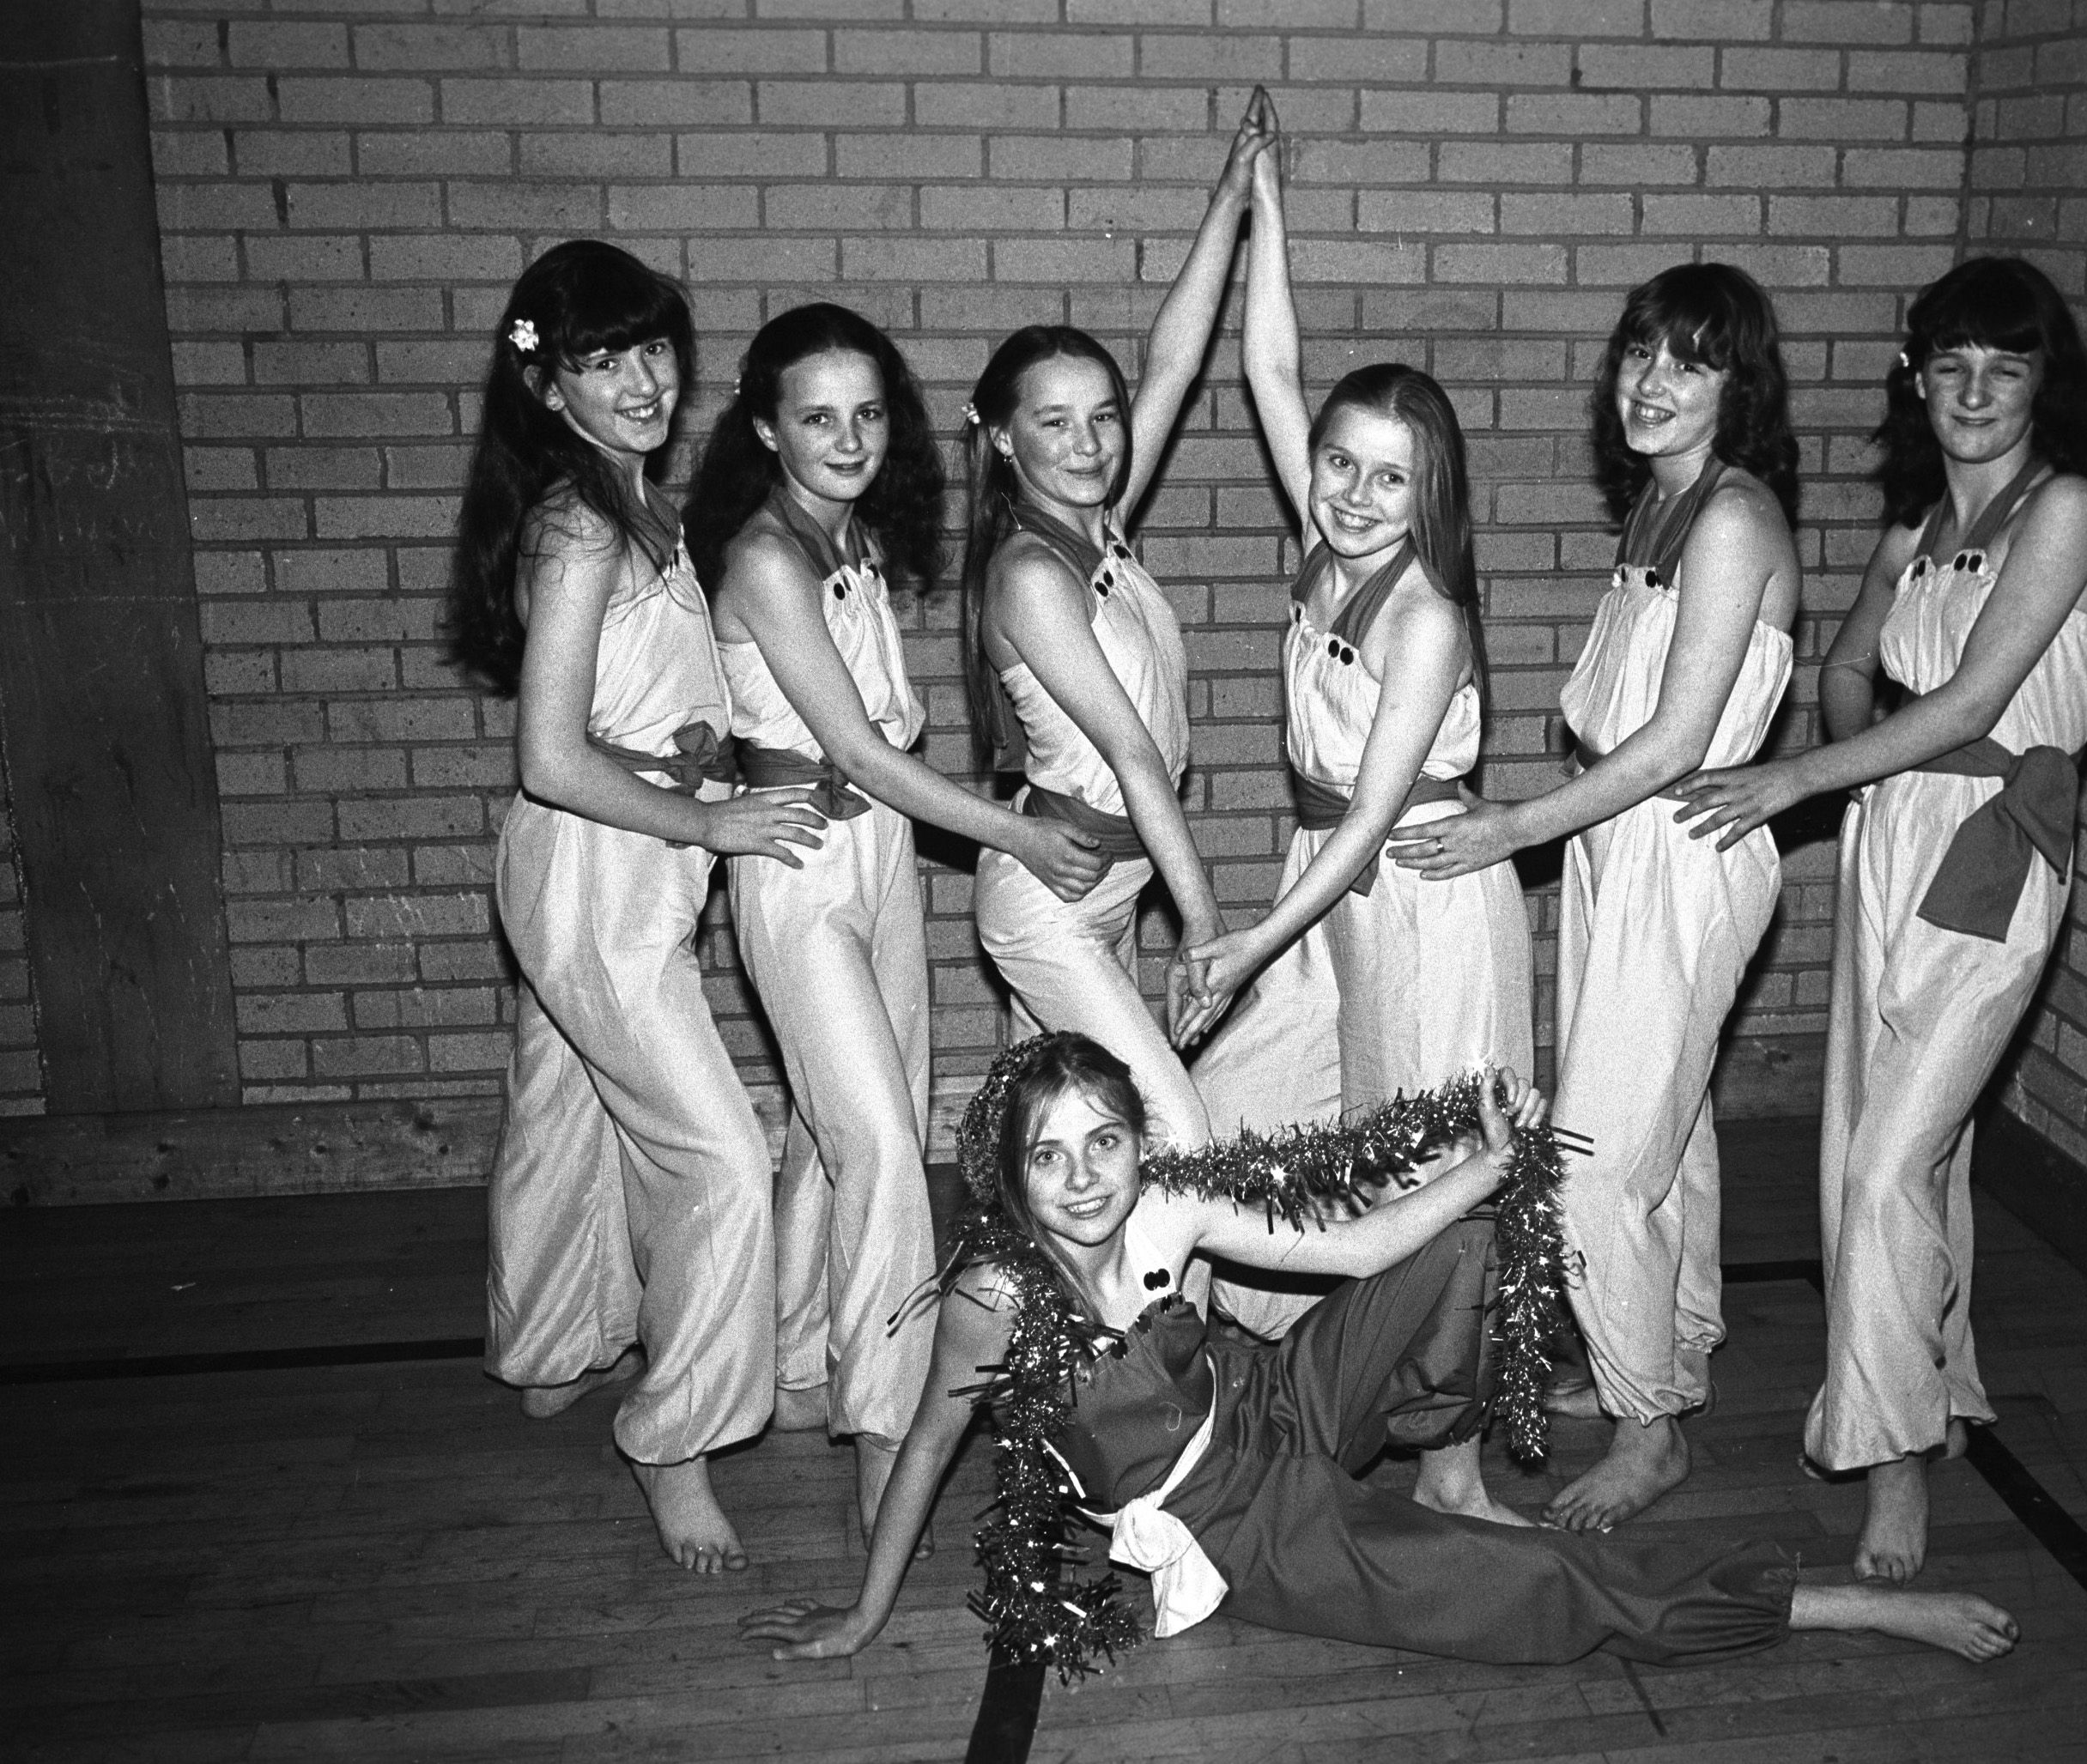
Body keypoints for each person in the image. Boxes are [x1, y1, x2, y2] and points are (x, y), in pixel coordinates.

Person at [737, 1033, 2019, 1670]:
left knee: (1461, 1253)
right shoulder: (993, 1296)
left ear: (1138, 1140)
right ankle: (1828, 1598)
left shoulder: (1167, 1206)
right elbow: (925, 1444)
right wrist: (861, 1612)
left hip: (1277, 1399)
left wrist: (1485, 1160)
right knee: (1513, 1596)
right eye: (1047, 1153)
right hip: (1237, 1516)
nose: (1083, 1177)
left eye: (1104, 1141)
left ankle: (1438, 1463)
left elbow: (1355, 1253)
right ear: (1007, 1174)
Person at [1674, 257, 2087, 1582]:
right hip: (1890, 829)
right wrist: (1844, 748)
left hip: (1990, 846)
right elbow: (1846, 665)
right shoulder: (1915, 525)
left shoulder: (2067, 511)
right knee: (1886, 1149)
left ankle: (1888, 1458)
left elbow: (1980, 698)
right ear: (1911, 373)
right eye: (1949, 365)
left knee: (1887, 1166)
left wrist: (1795, 778)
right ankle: (1948, 1384)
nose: (1973, 392)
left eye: (2004, 366)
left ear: (2045, 381)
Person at [679, 302, 1108, 1538]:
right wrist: (1017, 832)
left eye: (868, 412)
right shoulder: (765, 553)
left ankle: (802, 1352)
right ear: (765, 426)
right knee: (875, 1141)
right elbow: (858, 750)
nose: (848, 435)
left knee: (838, 1127)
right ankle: (884, 1427)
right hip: (803, 856)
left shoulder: (846, 535)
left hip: (875, 856)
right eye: (816, 415)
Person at [1389, 264, 1805, 1533]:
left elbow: (1679, 736)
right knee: (1659, 1132)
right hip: (1614, 846)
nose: (1650, 381)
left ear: (1738, 388)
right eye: (1638, 352)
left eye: (1687, 361)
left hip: (1675, 848)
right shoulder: (1661, 506)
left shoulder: (1731, 517)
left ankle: (1649, 1431)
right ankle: (1661, 1361)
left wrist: (1509, 826)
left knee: (1589, 1158)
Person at [445, 240, 826, 1573]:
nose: (642, 379)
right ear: (551, 389)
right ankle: (674, 1437)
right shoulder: (577, 522)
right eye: (604, 360)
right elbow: (547, 753)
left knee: (564, 1104)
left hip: (625, 863)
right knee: (719, 1160)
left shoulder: (642, 507)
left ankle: (549, 1346)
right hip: (591, 865)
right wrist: (714, 817)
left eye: (653, 346)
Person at [1180, 96, 1534, 1339]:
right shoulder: (1317, 543)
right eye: (1339, 463)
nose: (1356, 494)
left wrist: (1241, 943)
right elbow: (1269, 367)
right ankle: (1257, 1348)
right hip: (1325, 876)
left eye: (1392, 477)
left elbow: (1375, 814)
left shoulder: (1422, 614)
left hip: (1413, 892)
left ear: (1429, 489)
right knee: (1226, 1104)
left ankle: (1438, 1432)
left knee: (1424, 1155)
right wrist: (1262, 204)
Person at [961, 97, 1277, 1162]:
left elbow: (1174, 364)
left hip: (1114, 886)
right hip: (1050, 897)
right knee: (1164, 1128)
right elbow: (1136, 754)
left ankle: (1044, 1324)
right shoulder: (1031, 573)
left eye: (1102, 415)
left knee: (1049, 1140)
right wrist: (1205, 924)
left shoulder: (1103, 530)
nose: (1091, 442)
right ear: (1005, 440)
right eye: (1055, 422)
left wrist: (1230, 201)